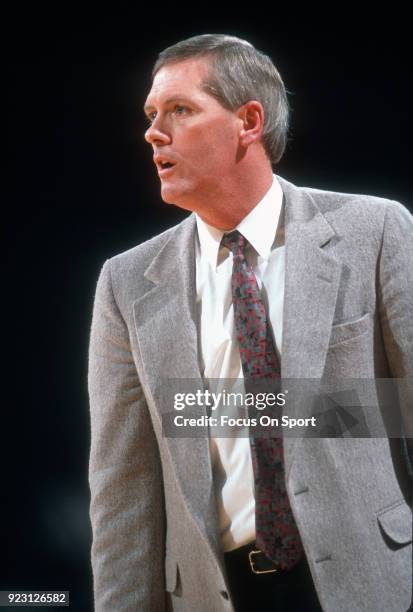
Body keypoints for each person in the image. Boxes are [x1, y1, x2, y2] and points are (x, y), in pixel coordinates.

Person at [87, 34, 413, 611]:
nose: (153, 132)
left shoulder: (377, 231)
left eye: (180, 110)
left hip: (376, 582)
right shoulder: (126, 282)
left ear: (249, 121)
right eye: (150, 114)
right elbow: (123, 492)